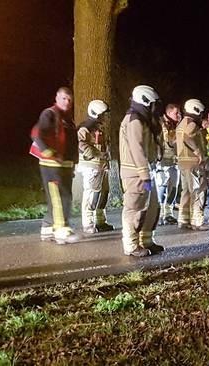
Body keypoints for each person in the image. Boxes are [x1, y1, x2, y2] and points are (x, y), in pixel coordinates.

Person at [119, 85, 165, 257]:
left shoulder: (143, 120)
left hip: (145, 171)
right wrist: (144, 174)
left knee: (152, 206)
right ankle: (131, 245)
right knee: (134, 208)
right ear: (145, 101)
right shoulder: (135, 120)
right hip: (136, 173)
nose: (155, 109)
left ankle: (146, 240)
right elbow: (137, 149)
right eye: (153, 105)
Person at [29, 87, 80, 244]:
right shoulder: (50, 114)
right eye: (64, 98)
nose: (67, 102)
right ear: (57, 98)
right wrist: (50, 153)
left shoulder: (67, 119)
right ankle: (61, 229)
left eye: (70, 100)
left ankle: (48, 227)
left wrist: (73, 162)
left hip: (65, 165)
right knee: (60, 197)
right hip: (51, 165)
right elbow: (37, 135)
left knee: (60, 196)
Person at [77, 99, 115, 234]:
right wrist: (98, 154)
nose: (105, 117)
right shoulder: (85, 127)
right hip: (91, 166)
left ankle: (100, 221)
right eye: (103, 114)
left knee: (104, 192)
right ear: (97, 114)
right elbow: (81, 145)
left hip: (101, 166)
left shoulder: (98, 127)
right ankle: (88, 223)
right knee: (91, 193)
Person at [176, 98, 209, 231]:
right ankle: (197, 221)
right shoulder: (191, 124)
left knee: (186, 191)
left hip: (183, 162)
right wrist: (199, 153)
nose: (201, 115)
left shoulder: (181, 123)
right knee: (198, 191)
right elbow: (187, 137)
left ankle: (183, 219)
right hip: (193, 163)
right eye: (201, 113)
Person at [157, 103, 181, 225]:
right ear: (169, 112)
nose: (179, 115)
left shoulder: (178, 125)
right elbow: (164, 141)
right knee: (162, 187)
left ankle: (169, 213)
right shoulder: (161, 124)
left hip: (175, 161)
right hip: (162, 161)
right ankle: (160, 213)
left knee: (174, 187)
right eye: (176, 113)